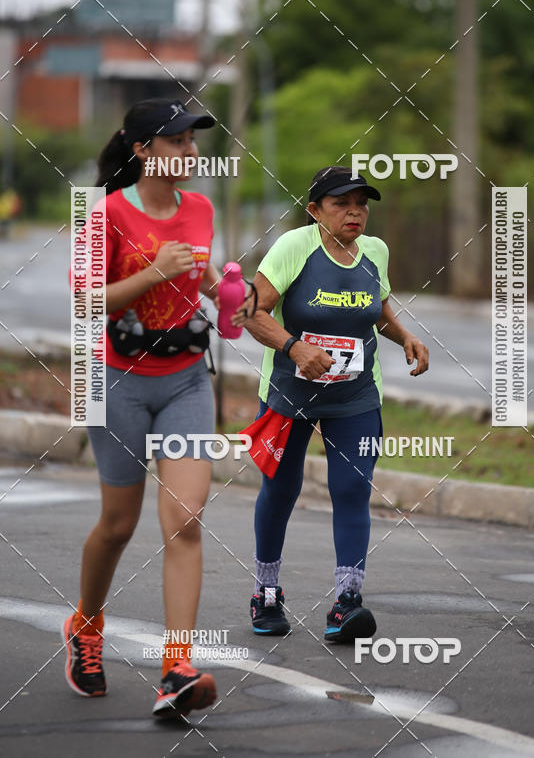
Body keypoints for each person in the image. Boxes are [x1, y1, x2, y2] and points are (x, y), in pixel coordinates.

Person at [64, 97, 223, 718]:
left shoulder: (203, 210)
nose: (190, 153)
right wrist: (155, 272)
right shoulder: (102, 216)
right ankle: (86, 626)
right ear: (142, 150)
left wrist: (233, 295)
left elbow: (209, 279)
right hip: (117, 381)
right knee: (118, 525)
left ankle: (177, 667)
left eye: (192, 142)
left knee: (185, 522)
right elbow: (84, 303)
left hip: (186, 382)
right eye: (178, 141)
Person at [238, 166, 429, 643]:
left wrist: (403, 335)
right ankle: (266, 592)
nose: (355, 212)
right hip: (289, 392)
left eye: (361, 203)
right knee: (281, 490)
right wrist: (295, 348)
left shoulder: (375, 251)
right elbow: (251, 311)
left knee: (352, 489)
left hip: (355, 394)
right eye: (342, 203)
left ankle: (347, 602)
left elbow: (376, 307)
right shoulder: (293, 248)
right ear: (314, 209)